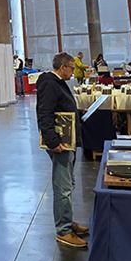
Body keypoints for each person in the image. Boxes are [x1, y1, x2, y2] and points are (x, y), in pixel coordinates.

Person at [36, 52, 88, 248]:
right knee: (63, 186)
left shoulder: (57, 83)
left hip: (68, 141)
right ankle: (63, 229)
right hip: (60, 143)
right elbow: (45, 112)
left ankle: (67, 220)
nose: (73, 72)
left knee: (68, 183)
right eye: (71, 68)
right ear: (63, 67)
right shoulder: (50, 83)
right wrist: (52, 140)